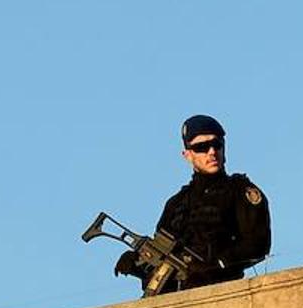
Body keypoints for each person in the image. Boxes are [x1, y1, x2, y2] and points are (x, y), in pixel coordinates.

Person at [114, 114, 271, 292]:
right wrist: (139, 263)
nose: (212, 152)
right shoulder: (175, 204)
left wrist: (217, 264)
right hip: (173, 299)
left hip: (220, 292)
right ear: (187, 155)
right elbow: (163, 255)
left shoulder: (239, 191)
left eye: (217, 144)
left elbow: (258, 243)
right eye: (202, 147)